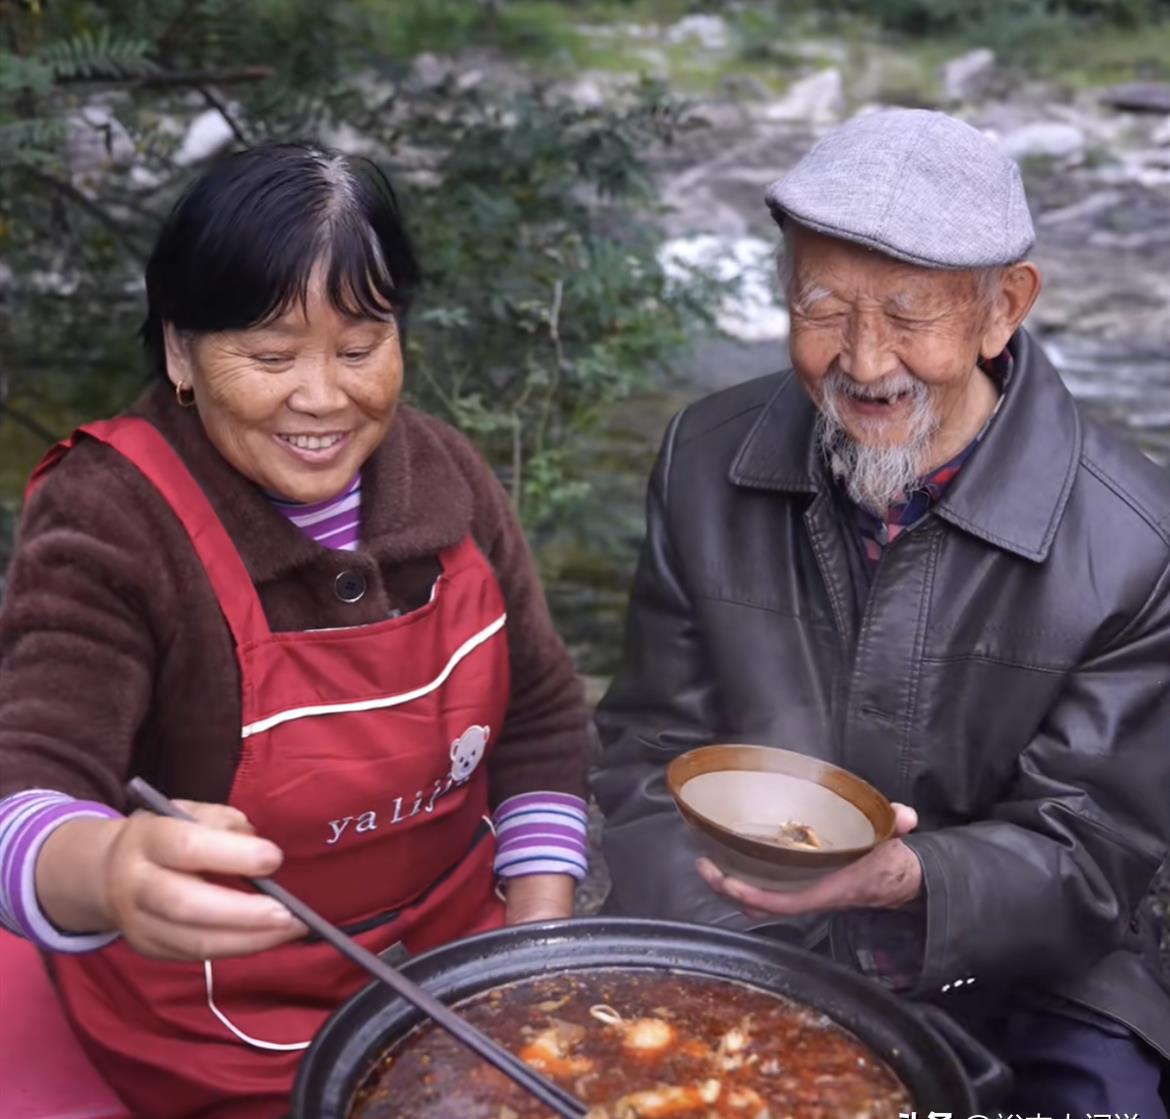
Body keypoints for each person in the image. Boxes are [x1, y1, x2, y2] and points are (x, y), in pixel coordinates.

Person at [594, 109, 1170, 1115]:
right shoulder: (705, 461)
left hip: (1037, 979)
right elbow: (650, 759)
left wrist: (904, 876)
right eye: (822, 305)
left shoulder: (1132, 539)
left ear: (1004, 309)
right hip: (754, 935)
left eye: (910, 314)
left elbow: (1093, 855)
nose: (863, 362)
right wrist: (769, 973)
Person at [0, 141, 591, 1118]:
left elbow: (540, 717)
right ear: (182, 350)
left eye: (359, 349)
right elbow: (28, 782)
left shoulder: (449, 478)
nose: (322, 398)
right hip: (216, 1033)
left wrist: (533, 964)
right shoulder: (112, 516)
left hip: (454, 988)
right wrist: (109, 875)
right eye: (271, 356)